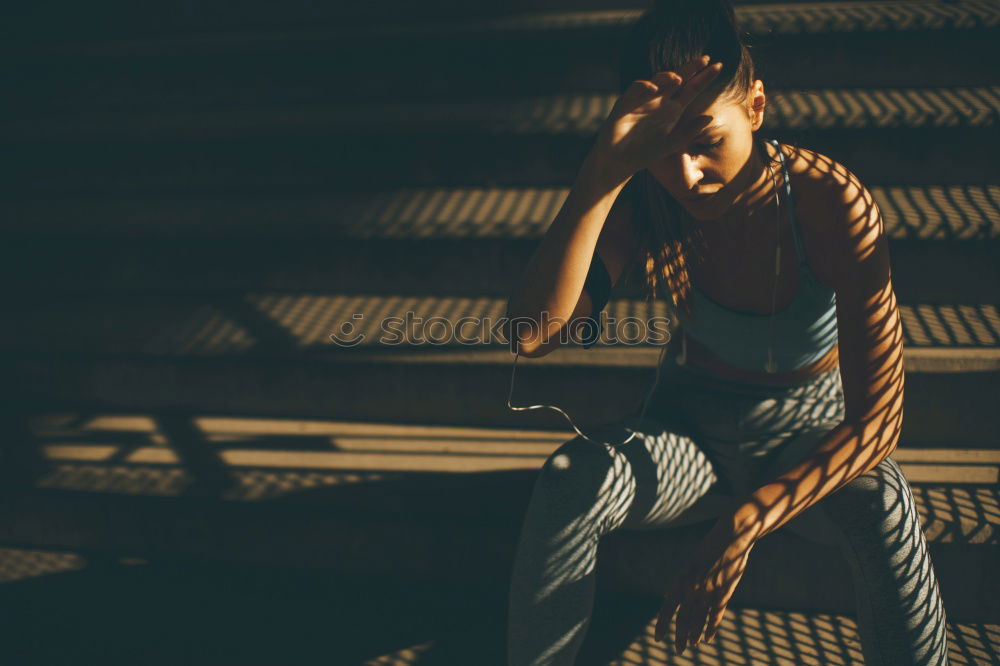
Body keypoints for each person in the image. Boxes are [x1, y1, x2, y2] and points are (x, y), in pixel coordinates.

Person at [502, 1, 950, 664]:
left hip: (809, 430)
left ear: (758, 109)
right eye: (663, 150)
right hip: (691, 431)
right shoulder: (646, 196)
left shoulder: (829, 200)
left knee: (883, 502)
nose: (686, 175)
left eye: (706, 141)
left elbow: (879, 422)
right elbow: (531, 335)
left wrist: (744, 523)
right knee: (572, 476)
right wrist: (604, 171)